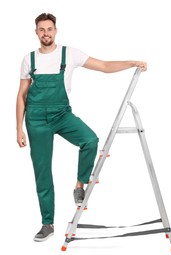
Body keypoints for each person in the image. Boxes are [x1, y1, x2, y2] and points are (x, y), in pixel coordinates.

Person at [16, 13, 147, 242]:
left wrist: (132, 62)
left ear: (56, 30)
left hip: (61, 114)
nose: (46, 33)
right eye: (41, 29)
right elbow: (21, 95)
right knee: (43, 172)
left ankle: (79, 184)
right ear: (36, 32)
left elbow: (104, 66)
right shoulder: (29, 59)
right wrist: (19, 128)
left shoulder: (70, 54)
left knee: (90, 140)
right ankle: (47, 224)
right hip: (35, 118)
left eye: (49, 29)